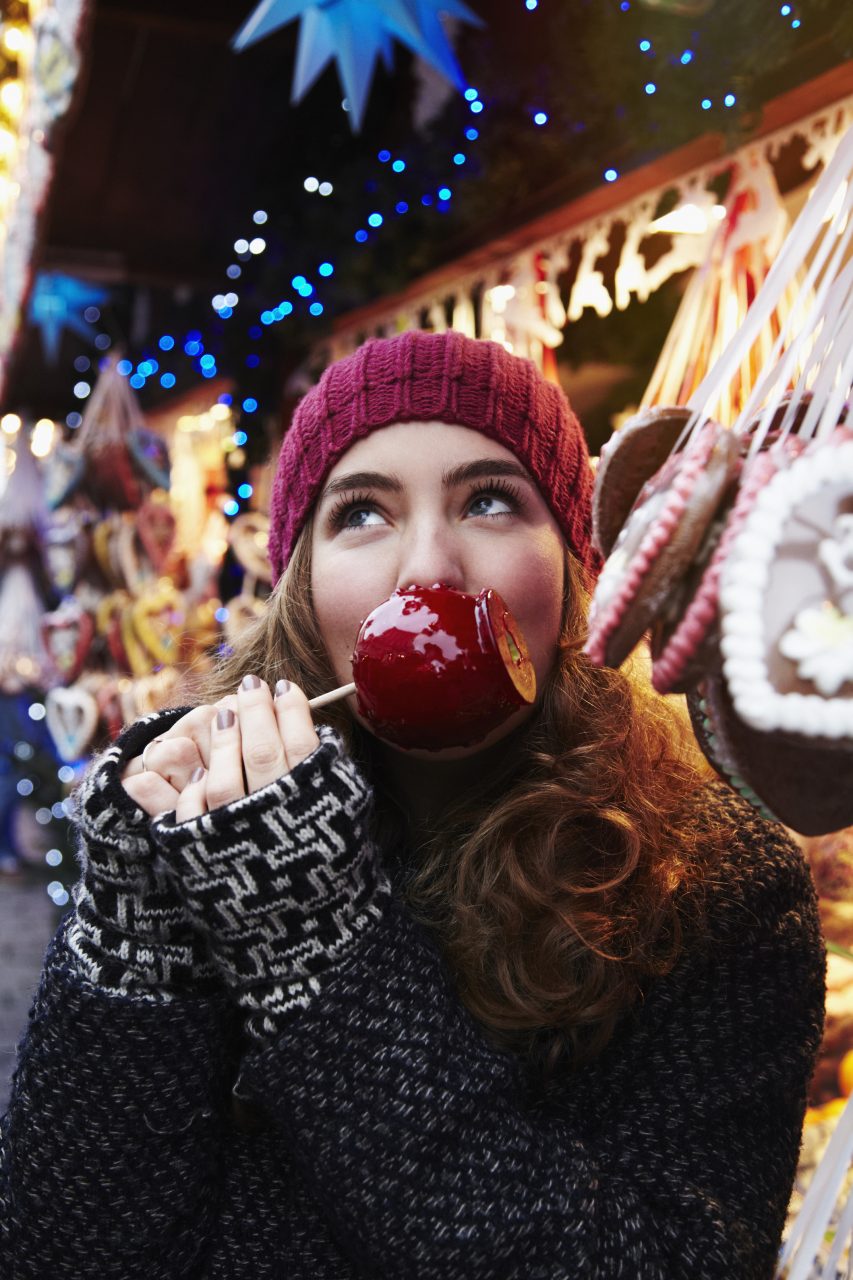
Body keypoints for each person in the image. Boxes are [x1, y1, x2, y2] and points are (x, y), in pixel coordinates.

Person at [0, 330, 825, 1279]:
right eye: (361, 514)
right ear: (300, 585)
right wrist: (133, 923)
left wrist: (320, 940)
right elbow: (66, 1249)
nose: (428, 570)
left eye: (487, 501)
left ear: (570, 565)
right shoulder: (204, 821)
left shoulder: (712, 880)